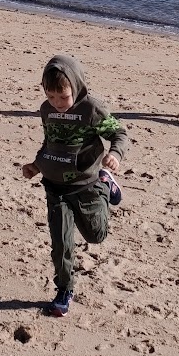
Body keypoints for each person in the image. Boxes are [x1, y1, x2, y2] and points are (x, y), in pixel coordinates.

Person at [18, 54, 128, 316]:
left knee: (95, 235)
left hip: (86, 184)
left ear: (75, 87)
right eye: (51, 96)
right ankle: (64, 289)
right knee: (61, 244)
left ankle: (106, 184)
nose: (57, 104)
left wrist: (115, 154)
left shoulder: (91, 109)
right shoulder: (47, 110)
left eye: (63, 97)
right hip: (55, 187)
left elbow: (119, 133)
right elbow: (50, 143)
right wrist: (37, 165)